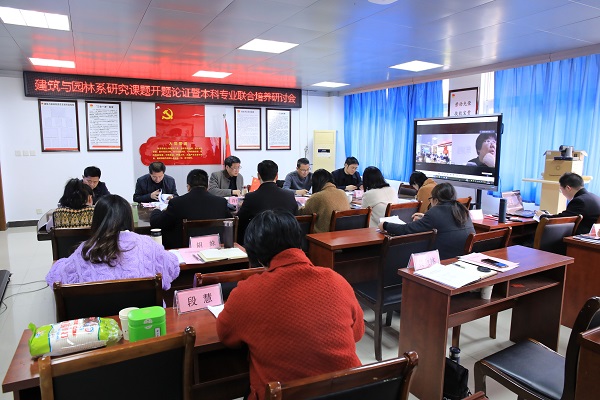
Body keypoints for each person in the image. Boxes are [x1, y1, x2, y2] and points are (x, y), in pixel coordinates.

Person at [217, 210, 364, 400]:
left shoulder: (247, 292)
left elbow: (225, 334)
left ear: (256, 256)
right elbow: (357, 333)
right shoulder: (336, 280)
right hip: (351, 391)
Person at [46, 195, 180, 291]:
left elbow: (56, 280)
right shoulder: (147, 243)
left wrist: (60, 263)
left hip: (99, 325)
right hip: (145, 323)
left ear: (97, 220)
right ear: (128, 217)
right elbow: (172, 267)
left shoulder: (86, 250)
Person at [378, 182, 475, 260]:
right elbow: (447, 223)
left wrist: (385, 225)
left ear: (436, 200)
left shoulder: (435, 211)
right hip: (463, 258)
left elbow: (406, 230)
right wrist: (425, 218)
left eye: (431, 199)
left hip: (444, 259)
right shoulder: (462, 209)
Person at [150, 169, 231, 249]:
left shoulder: (177, 203)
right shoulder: (221, 202)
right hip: (215, 250)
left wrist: (156, 211)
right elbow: (231, 221)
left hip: (184, 251)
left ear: (188, 186)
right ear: (207, 186)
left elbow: (157, 223)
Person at [236, 160, 298, 244]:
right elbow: (295, 216)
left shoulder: (251, 197)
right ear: (276, 176)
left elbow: (239, 219)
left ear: (258, 176)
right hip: (286, 241)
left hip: (261, 242)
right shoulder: (289, 195)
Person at [534, 172, 600, 235]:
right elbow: (567, 216)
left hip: (579, 239)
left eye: (561, 190)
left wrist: (541, 216)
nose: (561, 192)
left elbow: (561, 220)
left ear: (568, 188)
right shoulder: (595, 197)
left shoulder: (579, 201)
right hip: (591, 235)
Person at [298, 169, 350, 233]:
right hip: (342, 234)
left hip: (323, 236)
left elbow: (303, 213)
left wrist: (298, 206)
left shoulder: (318, 197)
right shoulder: (342, 193)